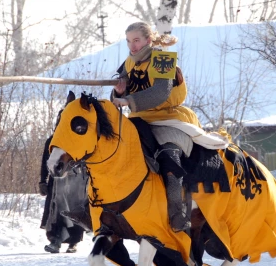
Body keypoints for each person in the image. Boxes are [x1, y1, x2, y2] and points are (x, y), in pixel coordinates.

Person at [111, 21, 208, 232]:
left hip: (170, 120)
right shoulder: (129, 63)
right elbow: (119, 93)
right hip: (139, 121)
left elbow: (160, 93)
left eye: (136, 40)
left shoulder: (162, 59)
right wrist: (119, 92)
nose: (133, 46)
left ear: (147, 40)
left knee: (168, 157)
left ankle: (178, 214)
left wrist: (128, 101)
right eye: (129, 41)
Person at [39, 134, 88, 254]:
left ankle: (73, 242)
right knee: (56, 212)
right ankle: (55, 240)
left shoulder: (81, 139)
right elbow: (46, 160)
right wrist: (42, 181)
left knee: (75, 211)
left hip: (76, 181)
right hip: (56, 182)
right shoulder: (53, 140)